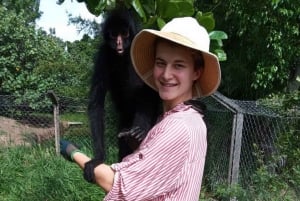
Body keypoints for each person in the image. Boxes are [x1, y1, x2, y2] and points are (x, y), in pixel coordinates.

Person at [60, 16, 221, 200]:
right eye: (160, 63)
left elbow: (119, 185)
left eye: (179, 65)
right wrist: (141, 146)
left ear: (196, 72)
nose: (166, 74)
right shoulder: (190, 118)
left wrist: (73, 152)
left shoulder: (179, 127)